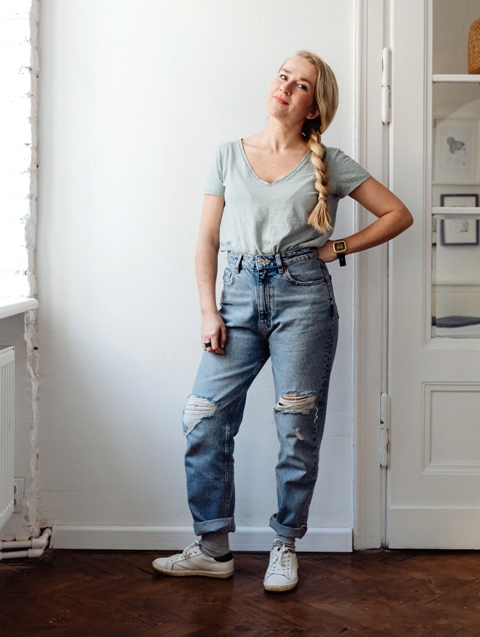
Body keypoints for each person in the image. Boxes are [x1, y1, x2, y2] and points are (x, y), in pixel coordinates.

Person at [152, 51, 413, 592]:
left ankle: (285, 546)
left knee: (296, 424)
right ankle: (213, 549)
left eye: (301, 85)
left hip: (304, 299)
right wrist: (208, 310)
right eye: (283, 76)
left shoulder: (330, 162)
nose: (287, 87)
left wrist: (335, 247)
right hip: (236, 297)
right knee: (202, 416)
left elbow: (397, 214)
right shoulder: (228, 154)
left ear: (313, 107)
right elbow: (206, 240)